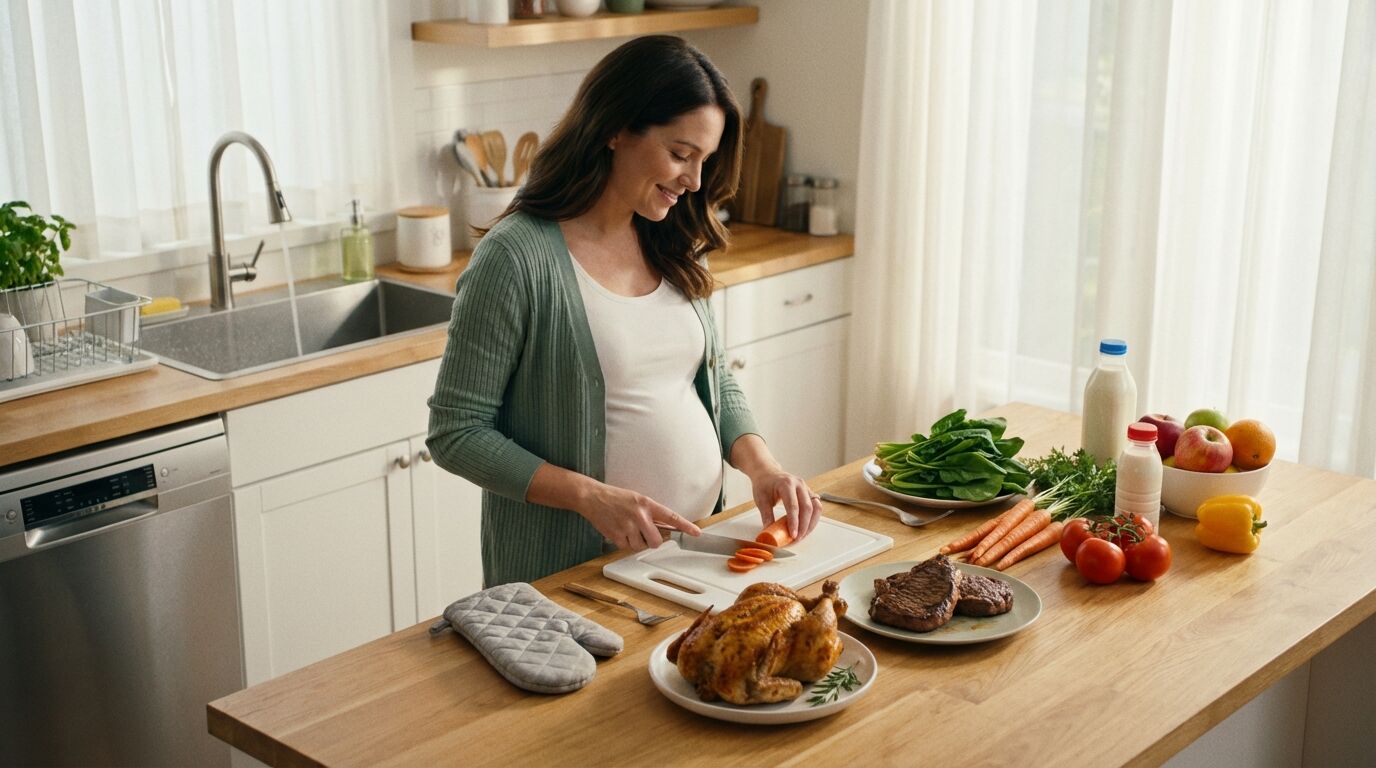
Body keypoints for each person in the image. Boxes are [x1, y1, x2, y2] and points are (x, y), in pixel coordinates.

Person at [427, 35, 822, 587]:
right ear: (616, 128)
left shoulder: (671, 239)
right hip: (578, 576)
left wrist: (763, 467)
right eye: (681, 154)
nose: (694, 180)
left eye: (704, 161)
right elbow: (457, 431)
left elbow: (712, 382)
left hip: (697, 555)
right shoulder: (517, 258)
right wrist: (591, 498)